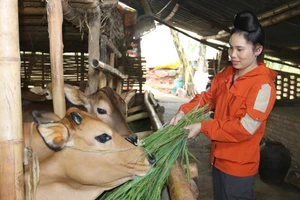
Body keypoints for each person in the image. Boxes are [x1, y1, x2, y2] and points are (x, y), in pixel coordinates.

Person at [169, 10, 277, 200]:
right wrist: (183, 111)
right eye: (230, 48)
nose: (232, 55)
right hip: (218, 159)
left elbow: (245, 128)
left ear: (257, 50)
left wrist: (203, 127)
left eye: (240, 49)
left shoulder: (263, 86)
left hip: (239, 167)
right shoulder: (228, 74)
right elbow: (208, 98)